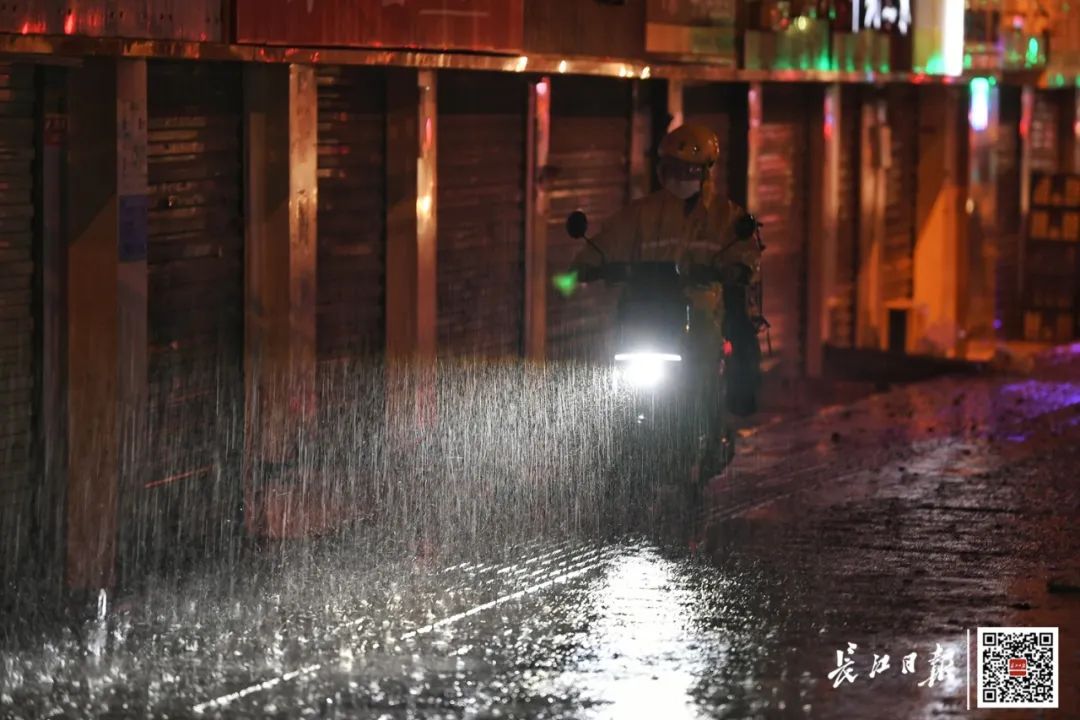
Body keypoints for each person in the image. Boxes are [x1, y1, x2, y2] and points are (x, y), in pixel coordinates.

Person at [560, 122, 764, 474]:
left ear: (705, 173)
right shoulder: (640, 214)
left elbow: (745, 253)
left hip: (699, 318)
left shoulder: (725, 217)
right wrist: (587, 267)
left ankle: (708, 431)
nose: (679, 176)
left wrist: (738, 269)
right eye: (672, 168)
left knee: (704, 365)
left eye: (688, 170)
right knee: (616, 369)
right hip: (646, 315)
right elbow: (608, 243)